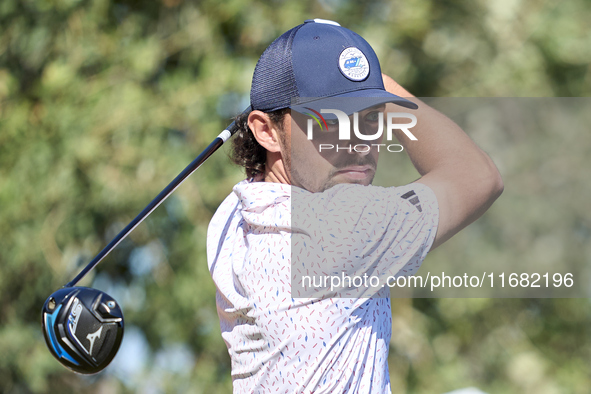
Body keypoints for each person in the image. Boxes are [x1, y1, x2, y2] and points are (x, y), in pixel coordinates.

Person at [207, 19, 503, 393]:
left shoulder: (232, 218)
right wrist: (376, 81)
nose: (360, 142)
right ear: (265, 131)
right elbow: (478, 175)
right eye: (331, 121)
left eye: (372, 117)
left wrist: (353, 77)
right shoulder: (341, 226)